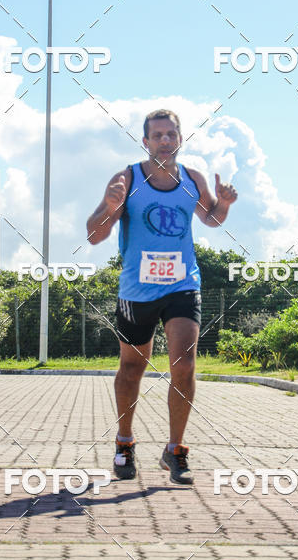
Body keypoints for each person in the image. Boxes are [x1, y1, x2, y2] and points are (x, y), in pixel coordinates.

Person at [86, 108, 237, 484]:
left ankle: (176, 450)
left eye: (171, 134)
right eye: (158, 135)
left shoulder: (192, 179)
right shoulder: (127, 179)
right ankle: (124, 443)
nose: (165, 141)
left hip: (183, 285)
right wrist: (109, 207)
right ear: (145, 141)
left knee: (184, 366)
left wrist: (225, 204)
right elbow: (94, 235)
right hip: (136, 290)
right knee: (132, 368)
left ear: (181, 138)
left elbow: (210, 218)